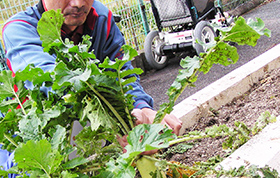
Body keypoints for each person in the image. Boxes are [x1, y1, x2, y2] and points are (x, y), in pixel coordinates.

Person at [0, 0, 182, 174]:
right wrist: (116, 125)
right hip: (22, 147)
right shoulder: (19, 30)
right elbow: (57, 86)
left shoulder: (101, 19)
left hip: (80, 141)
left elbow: (122, 76)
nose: (79, 4)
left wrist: (141, 108)